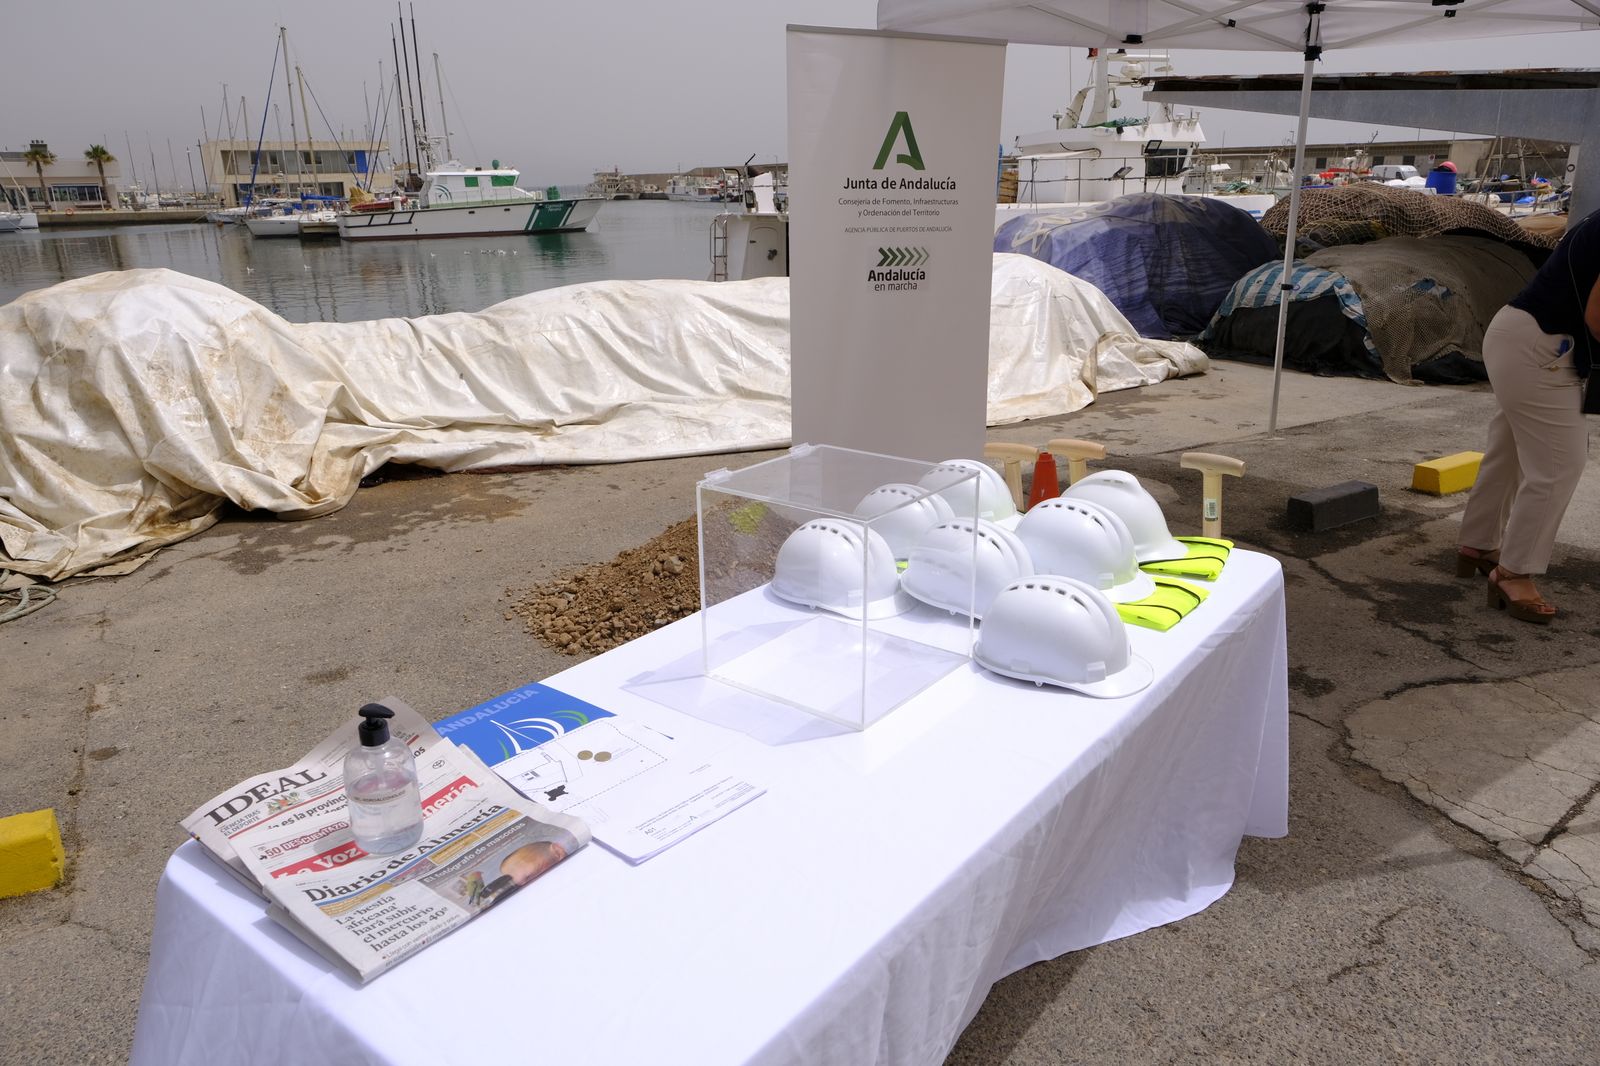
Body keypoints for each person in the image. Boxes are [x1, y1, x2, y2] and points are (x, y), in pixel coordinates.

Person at [1458, 207, 1600, 623]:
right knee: (1559, 466)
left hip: (1521, 336)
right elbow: (1598, 318)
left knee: (1510, 449)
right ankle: (1514, 572)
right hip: (1545, 349)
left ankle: (1478, 545)